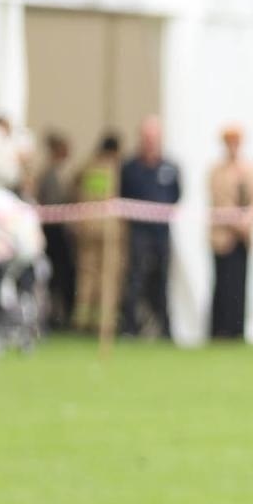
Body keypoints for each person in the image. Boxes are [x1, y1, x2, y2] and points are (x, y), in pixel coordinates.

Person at [118, 115, 181, 339]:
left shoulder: (170, 167)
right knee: (134, 280)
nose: (150, 142)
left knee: (162, 280)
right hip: (138, 232)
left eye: (154, 138)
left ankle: (165, 329)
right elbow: (122, 195)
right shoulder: (130, 167)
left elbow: (176, 196)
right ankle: (130, 328)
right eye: (147, 137)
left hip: (161, 232)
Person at [207, 124, 253, 339]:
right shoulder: (216, 171)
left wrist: (246, 223)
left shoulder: (250, 169)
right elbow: (218, 201)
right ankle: (219, 329)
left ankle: (237, 329)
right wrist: (236, 223)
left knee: (239, 285)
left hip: (243, 238)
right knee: (222, 283)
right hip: (223, 237)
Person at [71, 132, 123, 335]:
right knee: (107, 274)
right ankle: (103, 322)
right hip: (107, 227)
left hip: (86, 225)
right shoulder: (114, 168)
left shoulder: (87, 165)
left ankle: (81, 320)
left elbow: (74, 184)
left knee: (86, 273)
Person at [35, 131, 76, 331]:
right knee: (56, 275)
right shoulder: (50, 175)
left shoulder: (59, 172)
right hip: (53, 231)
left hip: (58, 231)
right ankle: (53, 317)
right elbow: (52, 204)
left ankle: (58, 315)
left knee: (61, 275)